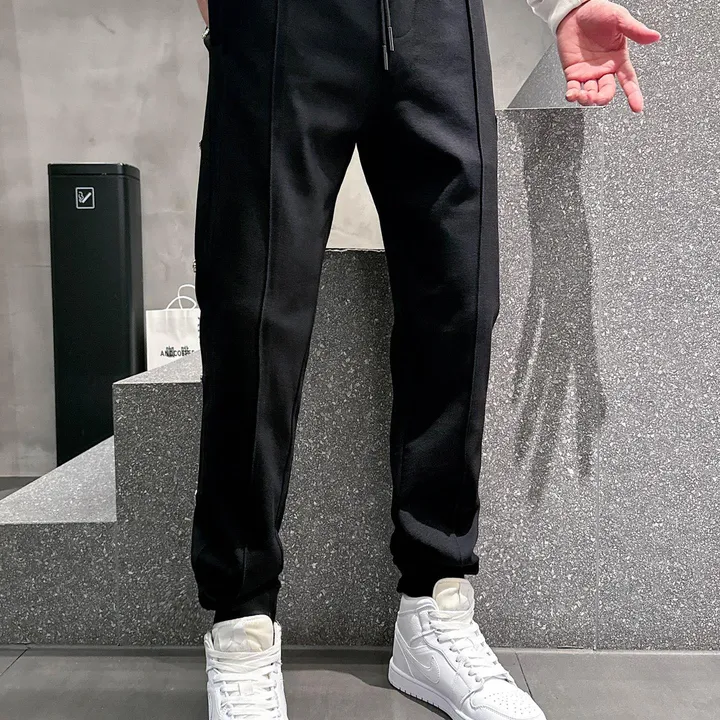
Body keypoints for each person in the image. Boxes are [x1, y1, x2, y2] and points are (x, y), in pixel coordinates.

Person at [190, 0, 660, 717]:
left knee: (460, 302)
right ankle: (242, 622)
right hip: (279, 19)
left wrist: (565, 5)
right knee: (254, 315)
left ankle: (434, 607)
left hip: (437, 23)